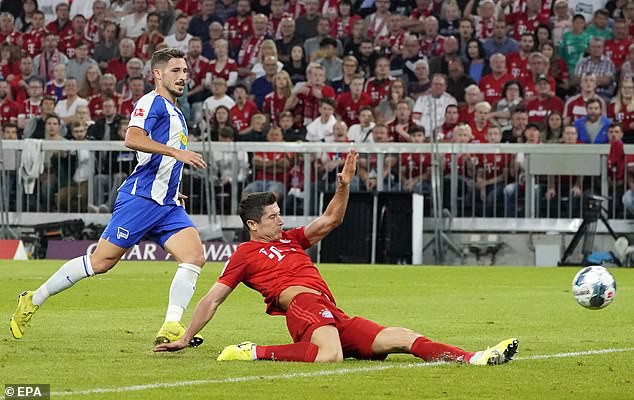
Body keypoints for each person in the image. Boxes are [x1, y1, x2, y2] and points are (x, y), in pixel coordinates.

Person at [154, 150, 518, 365]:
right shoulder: (246, 253)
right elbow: (213, 297)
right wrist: (186, 337)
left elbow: (331, 220)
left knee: (401, 337)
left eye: (280, 213)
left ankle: (474, 358)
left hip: (330, 310)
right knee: (329, 356)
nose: (281, 220)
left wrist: (343, 185)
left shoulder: (291, 239)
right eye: (273, 217)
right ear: (252, 224)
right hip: (303, 307)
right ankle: (253, 351)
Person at [10, 48, 209, 348]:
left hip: (167, 203)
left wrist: (172, 183)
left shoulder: (177, 111)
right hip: (140, 199)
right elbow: (132, 138)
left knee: (194, 256)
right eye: (175, 71)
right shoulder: (150, 102)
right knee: (101, 262)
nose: (183, 76)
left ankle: (170, 324)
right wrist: (177, 152)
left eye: (184, 71)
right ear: (158, 74)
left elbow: (158, 159)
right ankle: (33, 299)